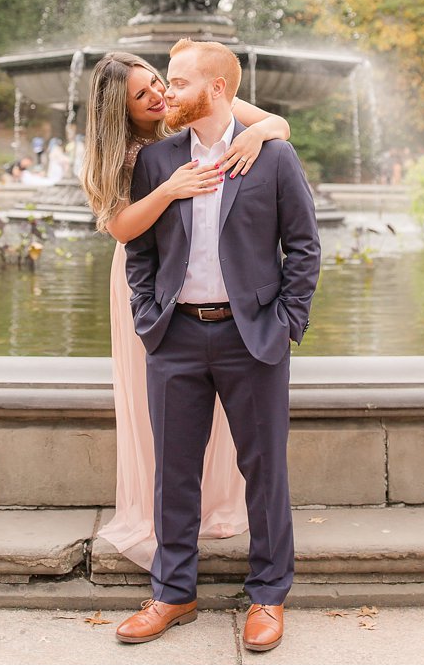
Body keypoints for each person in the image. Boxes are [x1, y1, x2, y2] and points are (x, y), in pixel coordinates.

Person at [113, 41, 319, 653]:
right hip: (174, 336)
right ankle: (172, 592)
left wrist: (286, 324)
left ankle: (269, 596)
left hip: (251, 336)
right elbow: (140, 251)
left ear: (218, 89)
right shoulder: (158, 161)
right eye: (164, 84)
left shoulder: (272, 155)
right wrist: (150, 314)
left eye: (177, 83)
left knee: (265, 470)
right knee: (174, 472)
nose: (164, 95)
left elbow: (303, 247)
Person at [80, 51, 291, 581]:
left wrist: (254, 134)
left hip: (226, 291)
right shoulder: (124, 153)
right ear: (118, 109)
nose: (158, 94)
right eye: (143, 93)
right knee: (165, 419)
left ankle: (219, 506)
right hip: (156, 278)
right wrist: (169, 189)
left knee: (237, 425)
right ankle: (167, 541)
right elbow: (122, 229)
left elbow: (280, 125)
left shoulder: (196, 103)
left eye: (158, 81)